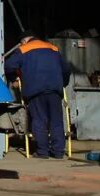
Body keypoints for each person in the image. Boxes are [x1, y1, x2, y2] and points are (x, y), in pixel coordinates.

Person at [4, 30, 71, 159]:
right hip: (54, 90)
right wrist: (63, 83)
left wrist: (13, 79)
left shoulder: (23, 49)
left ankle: (42, 152)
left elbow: (9, 65)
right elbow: (66, 68)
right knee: (56, 121)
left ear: (24, 41)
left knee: (39, 120)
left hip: (35, 91)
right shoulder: (53, 48)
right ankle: (58, 152)